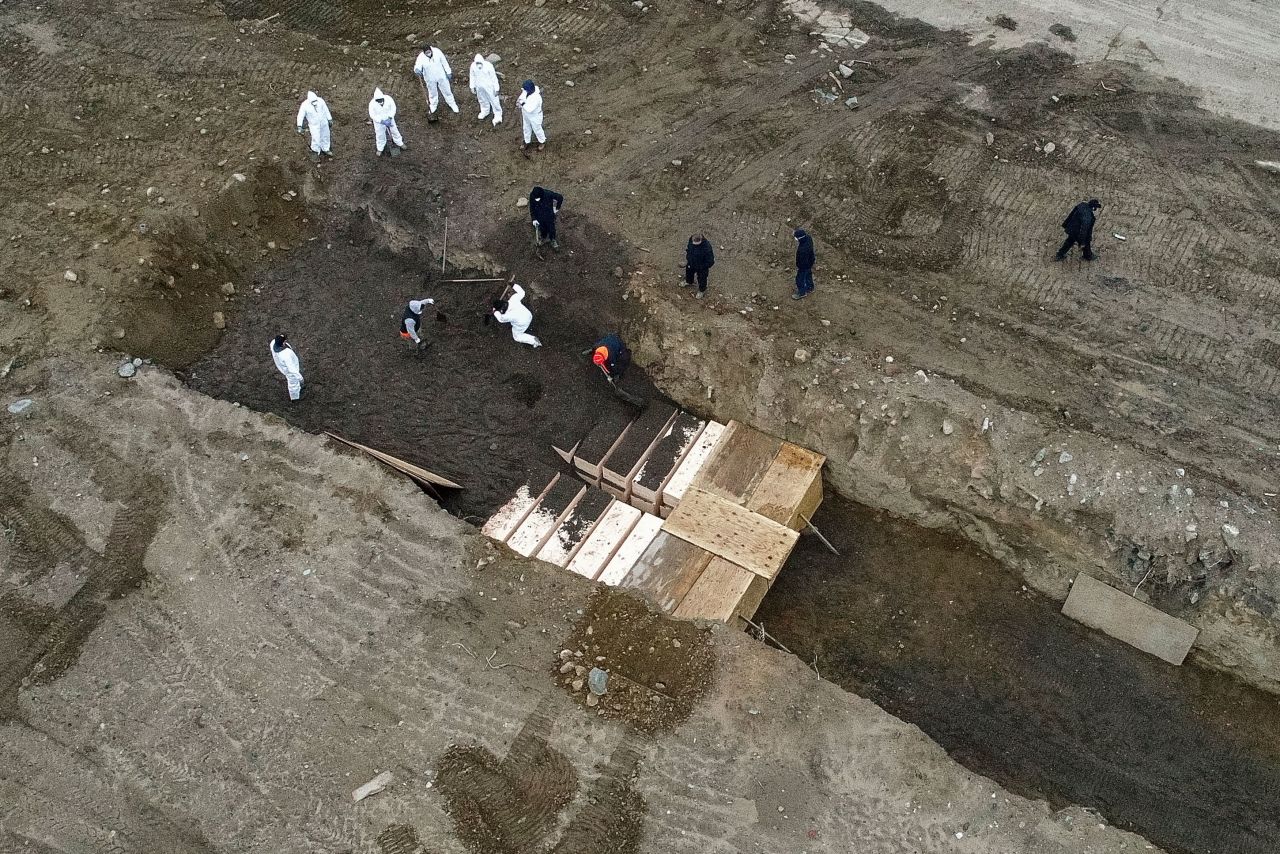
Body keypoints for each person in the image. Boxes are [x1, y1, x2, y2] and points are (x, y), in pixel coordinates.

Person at [414, 46, 459, 121]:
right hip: (430, 78)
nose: (428, 54)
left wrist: (448, 72)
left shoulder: (437, 52)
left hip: (441, 76)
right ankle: (433, 105)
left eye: (429, 52)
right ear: (424, 53)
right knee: (432, 93)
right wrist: (417, 69)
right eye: (426, 53)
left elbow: (444, 62)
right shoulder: (421, 57)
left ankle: (452, 103)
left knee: (447, 90)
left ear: (431, 50)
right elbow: (417, 65)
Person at [368, 88, 406, 157]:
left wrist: (390, 118)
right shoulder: (372, 104)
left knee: (394, 130)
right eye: (378, 100)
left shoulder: (389, 99)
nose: (380, 101)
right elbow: (372, 115)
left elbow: (393, 108)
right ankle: (380, 148)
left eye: (381, 100)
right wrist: (381, 121)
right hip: (379, 122)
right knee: (380, 134)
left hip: (389, 119)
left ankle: (399, 142)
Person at [295, 90, 333, 159]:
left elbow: (326, 110)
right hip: (314, 125)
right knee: (316, 138)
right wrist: (299, 126)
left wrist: (329, 119)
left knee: (326, 135)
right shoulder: (304, 105)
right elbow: (300, 116)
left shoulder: (320, 101)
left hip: (323, 122)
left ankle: (326, 149)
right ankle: (315, 152)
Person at [469, 54, 502, 126]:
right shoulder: (473, 66)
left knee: (494, 100)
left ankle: (498, 114)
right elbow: (472, 76)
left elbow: (494, 78)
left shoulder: (489, 66)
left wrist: (496, 88)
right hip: (479, 86)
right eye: (477, 63)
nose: (479, 65)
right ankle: (485, 110)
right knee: (482, 99)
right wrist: (472, 86)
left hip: (489, 86)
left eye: (480, 63)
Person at [270, 334, 303, 401]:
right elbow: (291, 369)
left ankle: (297, 391)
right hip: (289, 371)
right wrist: (300, 377)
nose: (286, 341)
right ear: (282, 343)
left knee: (294, 382)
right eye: (285, 341)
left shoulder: (273, 343)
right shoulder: (286, 354)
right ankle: (294, 398)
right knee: (293, 384)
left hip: (283, 366)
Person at [516, 80, 546, 153]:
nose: (524, 91)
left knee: (537, 129)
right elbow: (522, 96)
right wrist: (519, 101)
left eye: (525, 90)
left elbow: (530, 109)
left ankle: (542, 141)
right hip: (526, 115)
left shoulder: (536, 98)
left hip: (534, 116)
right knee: (526, 128)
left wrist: (522, 104)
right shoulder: (526, 91)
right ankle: (527, 141)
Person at [683, 233, 715, 299]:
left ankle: (702, 290)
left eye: (696, 244)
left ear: (700, 241)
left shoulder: (707, 248)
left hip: (702, 267)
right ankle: (689, 282)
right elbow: (689, 249)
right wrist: (688, 258)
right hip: (691, 262)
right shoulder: (691, 239)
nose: (694, 245)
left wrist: (702, 267)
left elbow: (711, 261)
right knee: (689, 273)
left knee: (702, 279)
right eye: (693, 243)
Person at [792, 228, 816, 300]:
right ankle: (810, 287)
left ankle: (802, 293)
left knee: (799, 279)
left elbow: (802, 262)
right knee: (808, 274)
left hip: (803, 266)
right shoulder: (808, 238)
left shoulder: (803, 250)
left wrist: (799, 266)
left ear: (800, 238)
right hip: (810, 261)